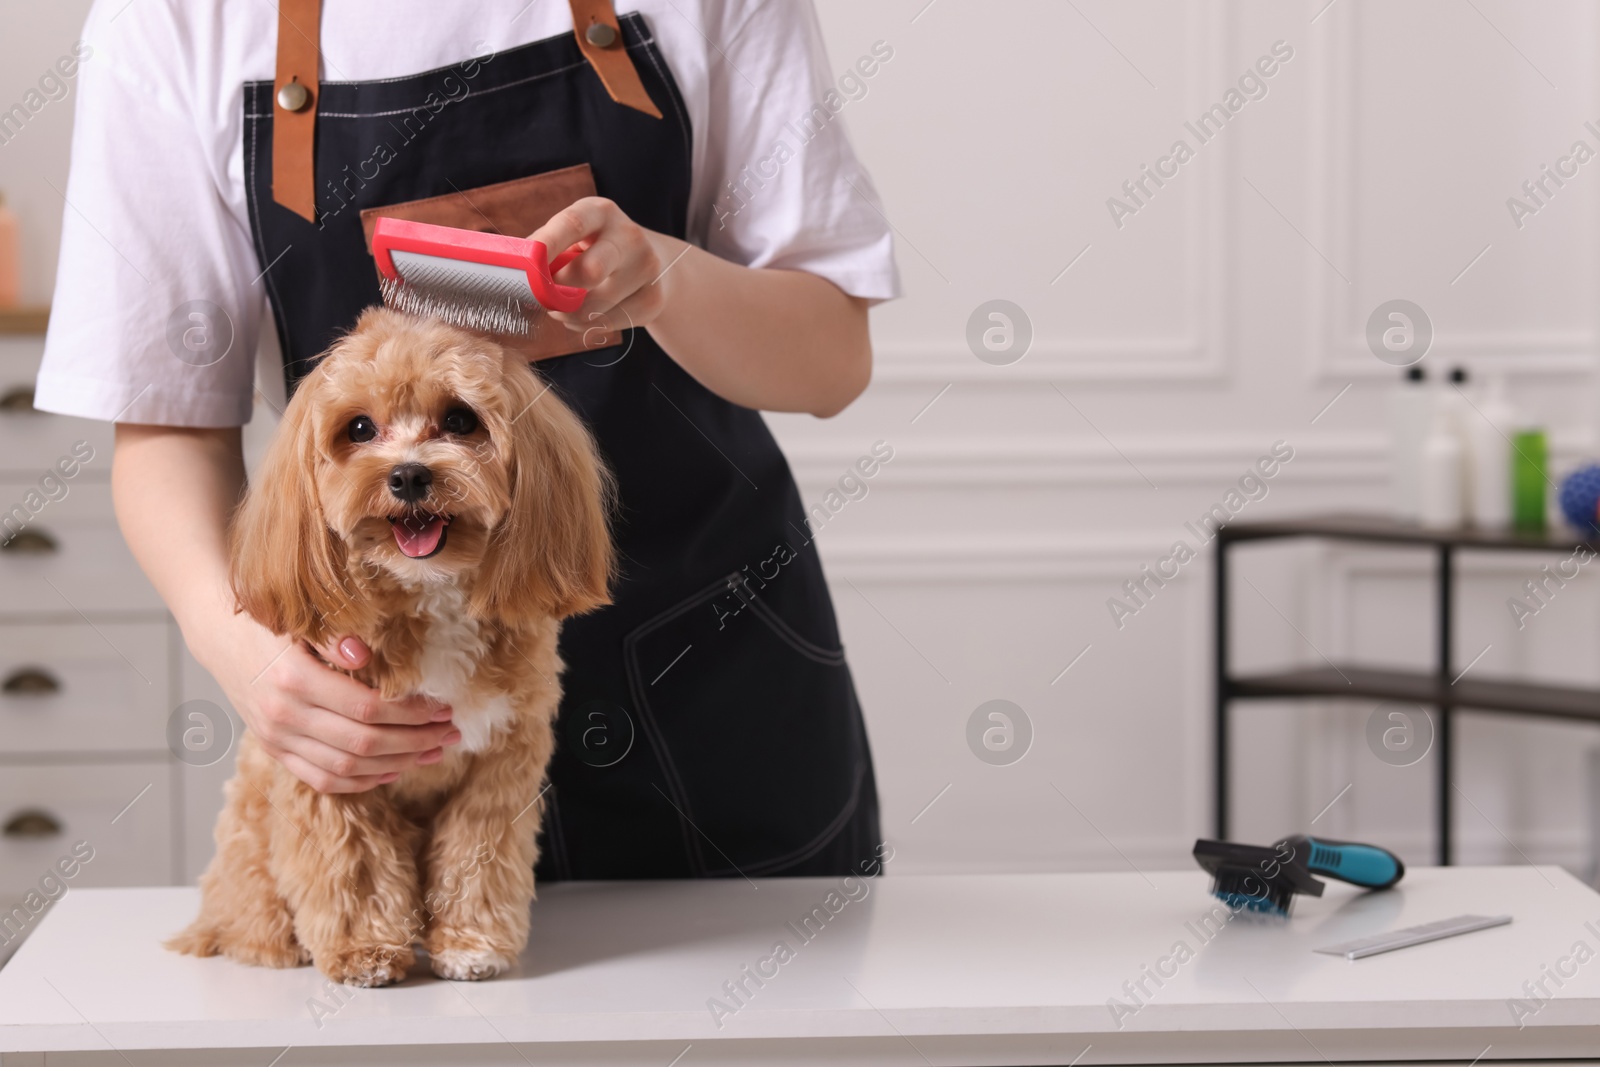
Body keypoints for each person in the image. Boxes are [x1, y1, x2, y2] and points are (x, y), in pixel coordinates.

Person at [36, 0, 901, 881]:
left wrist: (661, 282)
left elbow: (831, 360)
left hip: (714, 691)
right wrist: (245, 654)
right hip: (393, 739)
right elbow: (165, 426)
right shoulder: (173, 19)